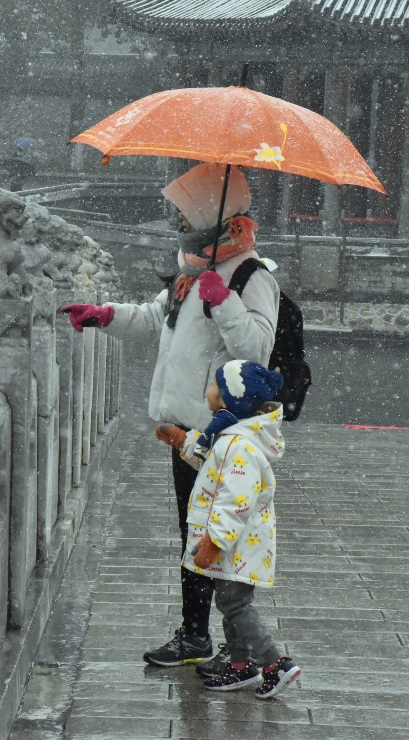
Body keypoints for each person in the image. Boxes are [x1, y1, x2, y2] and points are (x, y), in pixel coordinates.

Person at [59, 162, 280, 676]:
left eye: (185, 215)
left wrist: (223, 302)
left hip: (220, 429)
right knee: (192, 534)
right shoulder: (191, 271)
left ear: (212, 215)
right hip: (184, 429)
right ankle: (198, 634)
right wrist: (105, 315)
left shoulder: (251, 276)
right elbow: (156, 319)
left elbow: (257, 350)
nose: (179, 225)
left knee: (218, 538)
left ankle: (237, 646)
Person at [166, 359, 301, 698]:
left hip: (236, 544)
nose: (208, 391)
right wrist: (184, 441)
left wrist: (214, 542)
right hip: (238, 545)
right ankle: (240, 666)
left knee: (236, 606)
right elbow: (210, 460)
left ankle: (275, 663)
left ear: (229, 398)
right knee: (232, 603)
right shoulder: (229, 434)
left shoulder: (237, 445)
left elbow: (235, 502)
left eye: (214, 386)